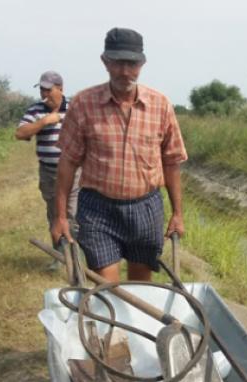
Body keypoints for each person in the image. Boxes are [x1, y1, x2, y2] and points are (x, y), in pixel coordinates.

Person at [51, 27, 187, 282]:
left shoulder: (160, 105)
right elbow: (67, 163)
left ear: (142, 64)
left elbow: (171, 162)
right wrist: (60, 217)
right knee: (106, 288)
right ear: (105, 62)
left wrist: (177, 214)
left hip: (146, 208)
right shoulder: (83, 103)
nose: (125, 71)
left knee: (141, 287)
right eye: (117, 62)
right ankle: (108, 308)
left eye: (132, 64)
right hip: (98, 209)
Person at [15, 70, 80, 252]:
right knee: (54, 214)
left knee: (72, 213)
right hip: (49, 172)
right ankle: (60, 255)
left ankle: (74, 255)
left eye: (48, 90)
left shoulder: (75, 108)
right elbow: (20, 133)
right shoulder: (35, 110)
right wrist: (44, 122)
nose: (44, 94)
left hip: (75, 171)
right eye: (41, 90)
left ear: (60, 89)